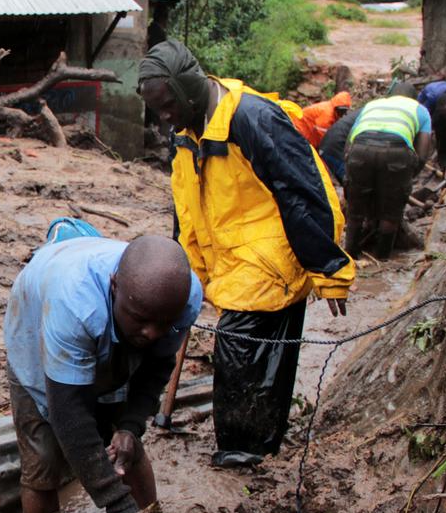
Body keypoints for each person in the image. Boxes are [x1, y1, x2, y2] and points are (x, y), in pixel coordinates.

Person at [137, 40, 355, 468]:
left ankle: (244, 455)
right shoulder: (186, 131)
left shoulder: (252, 118)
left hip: (271, 260)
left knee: (240, 349)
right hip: (232, 261)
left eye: (167, 106)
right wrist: (187, 269)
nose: (163, 117)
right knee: (260, 364)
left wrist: (328, 268)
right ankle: (257, 445)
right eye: (157, 110)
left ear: (187, 90)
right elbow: (186, 205)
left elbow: (304, 192)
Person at [4, 234, 202, 513]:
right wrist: (119, 507)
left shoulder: (182, 298)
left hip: (108, 320)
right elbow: (69, 415)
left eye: (163, 324)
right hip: (37, 323)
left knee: (124, 446)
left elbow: (158, 364)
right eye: (141, 319)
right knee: (44, 456)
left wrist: (130, 426)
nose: (152, 333)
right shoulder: (76, 307)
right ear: (114, 286)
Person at [344, 83, 434, 259]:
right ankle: (382, 258)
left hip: (360, 148)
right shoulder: (420, 110)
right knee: (391, 214)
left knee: (355, 211)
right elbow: (423, 153)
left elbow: (349, 143)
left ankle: (350, 256)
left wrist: (350, 169)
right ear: (413, 98)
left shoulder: (372, 105)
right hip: (397, 152)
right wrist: (408, 177)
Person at [319, 107, 360, 185]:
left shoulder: (361, 113)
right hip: (333, 149)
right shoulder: (366, 116)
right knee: (351, 182)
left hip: (327, 148)